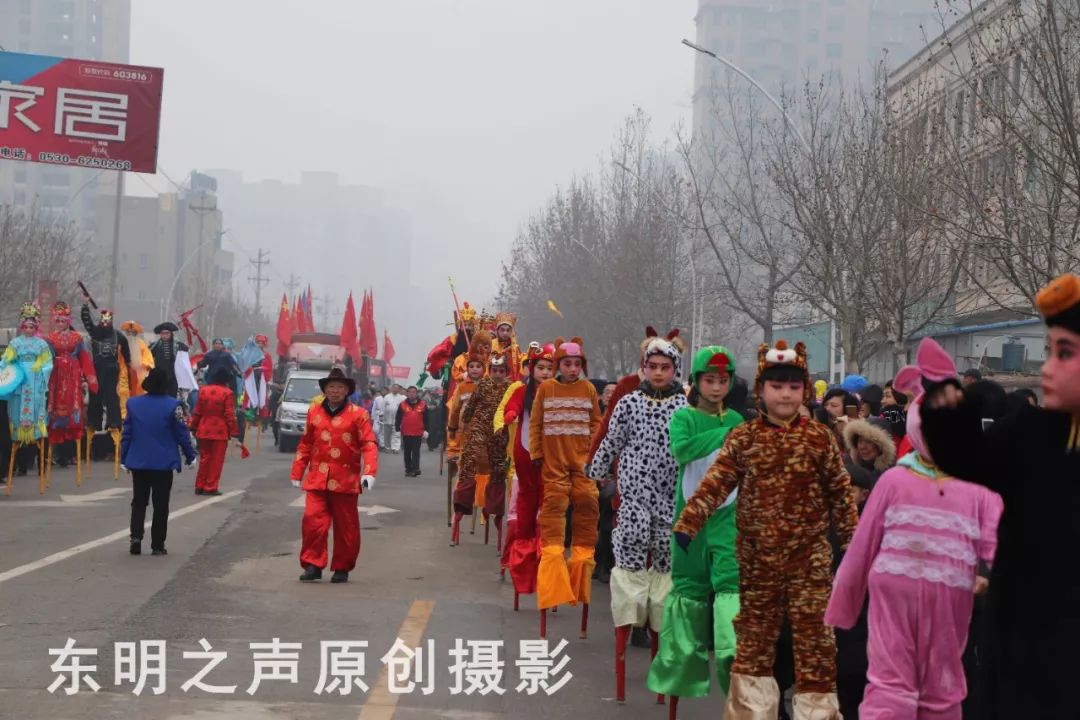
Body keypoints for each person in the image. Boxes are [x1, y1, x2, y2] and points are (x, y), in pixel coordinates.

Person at [917, 273, 1080, 720]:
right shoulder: (1030, 432)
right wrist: (949, 415)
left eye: (1065, 354)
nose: (1046, 367)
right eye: (1049, 352)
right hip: (1022, 652)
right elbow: (972, 460)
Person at [673, 340, 859, 718]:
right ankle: (752, 713)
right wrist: (689, 522)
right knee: (754, 645)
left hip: (810, 564)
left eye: (793, 386)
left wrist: (855, 545)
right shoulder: (745, 437)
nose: (786, 394)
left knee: (816, 647)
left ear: (805, 391)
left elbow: (841, 495)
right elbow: (716, 482)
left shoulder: (819, 439)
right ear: (761, 390)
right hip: (757, 565)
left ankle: (817, 713)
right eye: (777, 386)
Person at [827, 338, 1002, 720]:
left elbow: (998, 548)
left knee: (933, 684)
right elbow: (862, 545)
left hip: (943, 595)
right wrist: (844, 603)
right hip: (907, 592)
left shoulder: (972, 485)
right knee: (904, 683)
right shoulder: (897, 480)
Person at [643, 345, 743, 712]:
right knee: (688, 594)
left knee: (731, 585)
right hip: (689, 521)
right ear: (697, 382)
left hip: (729, 518)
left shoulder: (737, 419)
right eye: (709, 380)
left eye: (722, 380)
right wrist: (725, 436)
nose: (716, 387)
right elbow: (682, 451)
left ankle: (736, 660)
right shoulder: (684, 418)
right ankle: (679, 672)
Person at [590, 335, 689, 700]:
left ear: (675, 370)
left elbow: (691, 451)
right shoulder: (629, 402)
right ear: (643, 368)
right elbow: (612, 439)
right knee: (629, 564)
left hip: (668, 500)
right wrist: (598, 469)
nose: (659, 373)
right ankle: (629, 621)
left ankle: (659, 626)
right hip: (632, 498)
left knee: (665, 569)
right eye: (653, 366)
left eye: (666, 367)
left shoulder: (684, 406)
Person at [529, 337, 603, 611]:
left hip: (583, 461)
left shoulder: (588, 389)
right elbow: (536, 423)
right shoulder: (547, 389)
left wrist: (597, 456)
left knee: (587, 500)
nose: (573, 369)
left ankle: (581, 561)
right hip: (554, 463)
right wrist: (537, 453)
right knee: (555, 505)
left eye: (577, 364)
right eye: (568, 363)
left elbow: (597, 423)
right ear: (559, 365)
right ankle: (553, 559)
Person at [290, 368, 379, 583]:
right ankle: (313, 564)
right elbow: (306, 444)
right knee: (312, 521)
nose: (335, 391)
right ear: (324, 390)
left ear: (347, 390)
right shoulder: (314, 412)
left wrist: (369, 471)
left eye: (340, 387)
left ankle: (342, 566)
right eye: (331, 387)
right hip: (317, 478)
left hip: (345, 480)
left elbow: (369, 444)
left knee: (346, 527)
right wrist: (297, 470)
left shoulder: (359, 414)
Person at [496, 342, 556, 596]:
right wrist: (509, 415)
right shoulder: (521, 390)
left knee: (550, 509)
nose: (544, 373)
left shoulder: (559, 392)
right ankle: (519, 556)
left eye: (549, 368)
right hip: (524, 458)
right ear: (531, 369)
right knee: (523, 508)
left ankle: (549, 557)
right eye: (540, 368)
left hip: (553, 460)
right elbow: (511, 407)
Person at [120, 367, 197, 555]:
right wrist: (190, 455)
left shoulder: (133, 404)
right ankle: (157, 545)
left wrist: (124, 457)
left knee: (139, 502)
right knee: (161, 505)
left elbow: (127, 433)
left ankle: (136, 538)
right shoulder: (174, 405)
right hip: (163, 463)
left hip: (138, 461)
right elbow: (181, 433)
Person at [459, 354, 512, 546]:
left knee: (498, 471)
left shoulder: (510, 388)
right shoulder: (482, 385)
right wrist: (462, 426)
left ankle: (494, 509)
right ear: (490, 371)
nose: (497, 374)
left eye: (501, 371)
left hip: (500, 434)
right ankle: (462, 504)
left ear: (506, 372)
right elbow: (470, 407)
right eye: (495, 370)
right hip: (480, 429)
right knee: (469, 458)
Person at [46, 302, 97, 467]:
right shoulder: (50, 339)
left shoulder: (77, 338)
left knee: (73, 410)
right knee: (56, 412)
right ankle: (55, 454)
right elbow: (46, 360)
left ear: (69, 321)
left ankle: (69, 454)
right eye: (58, 321)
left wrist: (90, 379)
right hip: (56, 376)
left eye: (64, 321)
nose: (61, 324)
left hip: (73, 377)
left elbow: (85, 359)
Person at [447, 345, 488, 544]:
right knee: (466, 475)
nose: (474, 369)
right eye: (471, 366)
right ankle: (460, 513)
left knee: (486, 475)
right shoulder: (462, 387)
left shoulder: (490, 386)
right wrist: (452, 428)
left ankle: (484, 509)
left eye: (478, 366)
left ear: (484, 368)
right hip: (467, 436)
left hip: (487, 438)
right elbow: (455, 410)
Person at [2, 304, 53, 448]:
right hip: (19, 379)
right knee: (18, 404)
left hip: (36, 379)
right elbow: (7, 360)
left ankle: (35, 432)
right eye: (26, 327)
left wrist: (41, 368)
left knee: (36, 403)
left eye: (32, 327)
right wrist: (6, 367)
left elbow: (48, 363)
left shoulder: (41, 344)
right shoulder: (15, 343)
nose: (29, 330)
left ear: (36, 327)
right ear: (22, 327)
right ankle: (19, 435)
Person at [189, 366, 240, 496]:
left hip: (203, 428)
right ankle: (210, 486)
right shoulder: (227, 393)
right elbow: (229, 415)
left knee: (205, 459)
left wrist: (193, 426)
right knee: (216, 461)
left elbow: (197, 411)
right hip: (219, 431)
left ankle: (199, 485)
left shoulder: (204, 391)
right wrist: (234, 431)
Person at [80, 301, 129, 431]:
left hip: (112, 370)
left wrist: (128, 369)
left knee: (112, 396)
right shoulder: (95, 332)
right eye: (103, 321)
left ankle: (113, 423)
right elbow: (87, 322)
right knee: (95, 395)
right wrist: (85, 306)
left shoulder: (119, 336)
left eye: (108, 321)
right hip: (97, 369)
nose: (105, 323)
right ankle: (93, 422)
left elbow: (127, 354)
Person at [395, 386, 429, 477]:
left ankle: (415, 469)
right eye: (409, 392)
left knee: (416, 451)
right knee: (407, 451)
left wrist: (426, 430)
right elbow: (398, 418)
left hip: (418, 432)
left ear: (416, 393)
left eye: (413, 392)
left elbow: (427, 418)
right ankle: (408, 469)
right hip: (406, 432)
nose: (411, 394)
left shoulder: (423, 404)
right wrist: (397, 429)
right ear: (407, 393)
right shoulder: (402, 404)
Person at [149, 322, 189, 398]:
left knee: (171, 397)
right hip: (158, 377)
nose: (164, 335)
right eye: (162, 333)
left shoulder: (179, 345)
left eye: (167, 333)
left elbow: (185, 357)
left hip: (173, 377)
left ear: (171, 334)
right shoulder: (154, 346)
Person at [492, 312, 524, 382]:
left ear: (511, 332)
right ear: (497, 331)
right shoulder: (491, 344)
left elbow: (520, 366)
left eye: (508, 330)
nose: (505, 333)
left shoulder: (515, 348)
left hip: (510, 382)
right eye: (502, 330)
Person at [381, 384, 405, 453]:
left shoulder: (402, 398)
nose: (395, 389)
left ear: (399, 389)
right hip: (387, 418)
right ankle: (387, 447)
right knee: (387, 434)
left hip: (397, 418)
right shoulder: (387, 397)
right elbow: (383, 407)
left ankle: (396, 448)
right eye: (394, 388)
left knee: (396, 433)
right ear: (391, 389)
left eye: (397, 388)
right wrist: (381, 415)